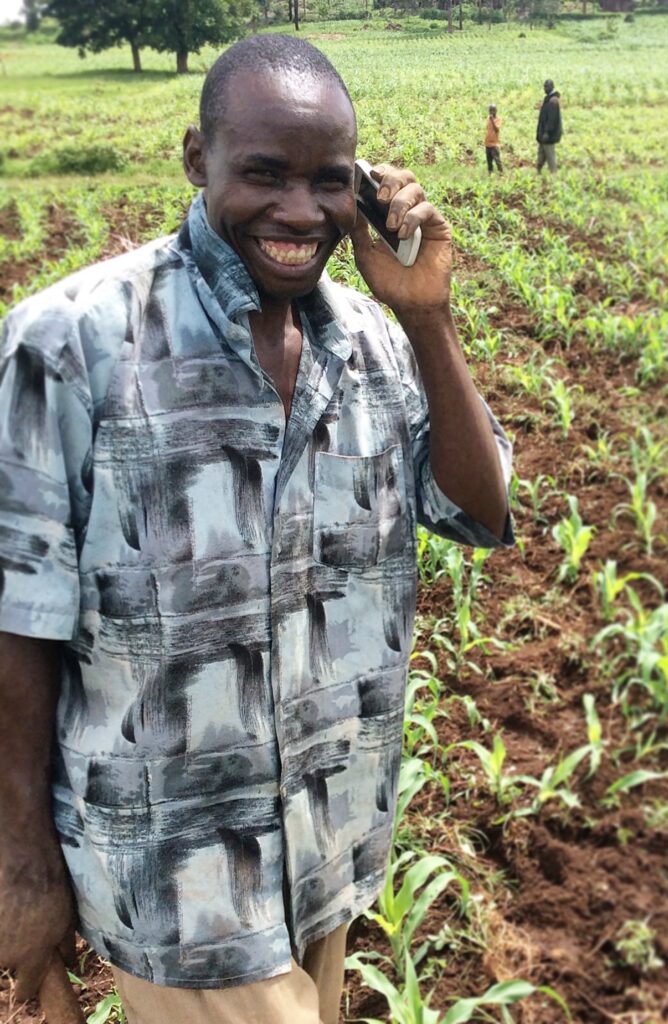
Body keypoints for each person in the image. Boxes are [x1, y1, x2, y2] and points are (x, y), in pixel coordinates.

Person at [0, 33, 512, 1024]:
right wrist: (20, 866)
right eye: (262, 174)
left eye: (327, 182)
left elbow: (480, 510)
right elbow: (16, 621)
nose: (297, 212)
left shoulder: (370, 344)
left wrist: (429, 316)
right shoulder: (71, 344)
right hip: (174, 872)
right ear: (199, 160)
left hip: (331, 845)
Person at [535, 79, 562, 174]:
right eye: (544, 86)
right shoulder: (548, 99)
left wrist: (547, 132)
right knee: (541, 155)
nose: (544, 88)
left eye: (546, 86)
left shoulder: (553, 101)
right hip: (543, 134)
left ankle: (554, 176)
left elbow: (551, 119)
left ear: (551, 87)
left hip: (548, 135)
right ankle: (538, 173)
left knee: (550, 156)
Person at [484, 103, 503, 174]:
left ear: (496, 111)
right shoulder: (488, 119)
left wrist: (492, 120)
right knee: (489, 161)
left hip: (494, 144)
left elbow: (497, 129)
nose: (491, 112)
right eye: (490, 110)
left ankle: (501, 174)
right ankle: (490, 174)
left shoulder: (499, 119)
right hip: (487, 143)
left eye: (493, 110)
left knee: (497, 160)